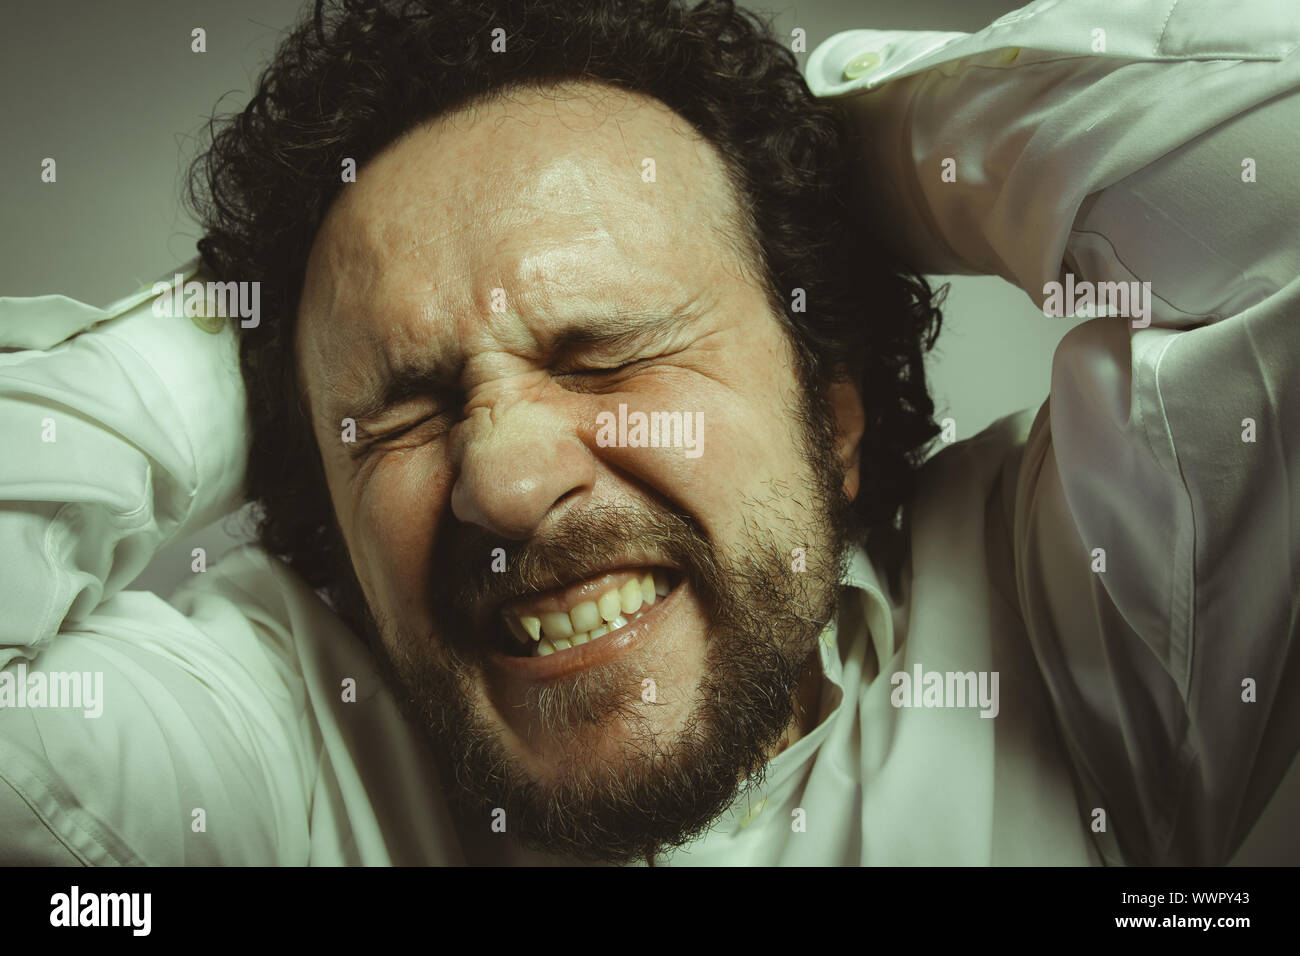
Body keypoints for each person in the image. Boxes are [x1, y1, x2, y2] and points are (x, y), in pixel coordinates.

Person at [1, 0, 1296, 866]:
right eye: (405, 412)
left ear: (830, 416)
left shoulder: (1083, 626)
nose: (504, 481)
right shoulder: (281, 728)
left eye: (602, 354)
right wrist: (250, 328)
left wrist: (814, 157)